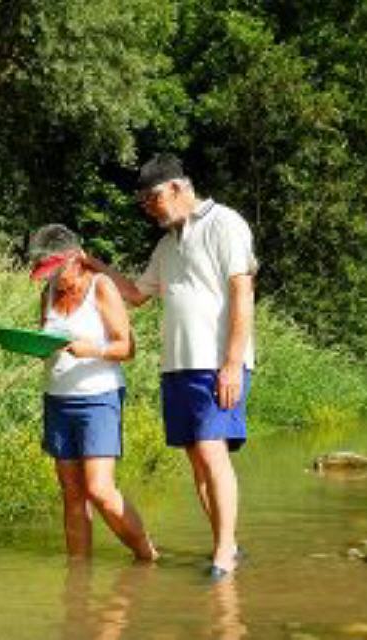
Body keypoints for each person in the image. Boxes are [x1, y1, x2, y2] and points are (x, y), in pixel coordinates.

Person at [83, 153, 257, 579]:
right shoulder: (166, 245)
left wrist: (233, 363)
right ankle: (228, 545)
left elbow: (243, 292)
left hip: (216, 363)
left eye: (152, 199)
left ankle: (222, 556)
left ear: (177, 187)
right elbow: (137, 294)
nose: (149, 209)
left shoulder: (225, 224)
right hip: (177, 366)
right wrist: (94, 265)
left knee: (212, 451)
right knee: (197, 460)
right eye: (143, 203)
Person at [29, 224, 158, 562]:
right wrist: (35, 345)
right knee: (72, 493)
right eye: (45, 273)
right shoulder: (48, 293)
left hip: (98, 398)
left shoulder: (102, 287)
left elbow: (127, 348)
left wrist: (93, 350)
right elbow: (46, 340)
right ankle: (78, 575)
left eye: (55, 271)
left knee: (99, 490)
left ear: (74, 259)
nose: (50, 279)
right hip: (57, 398)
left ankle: (146, 555)